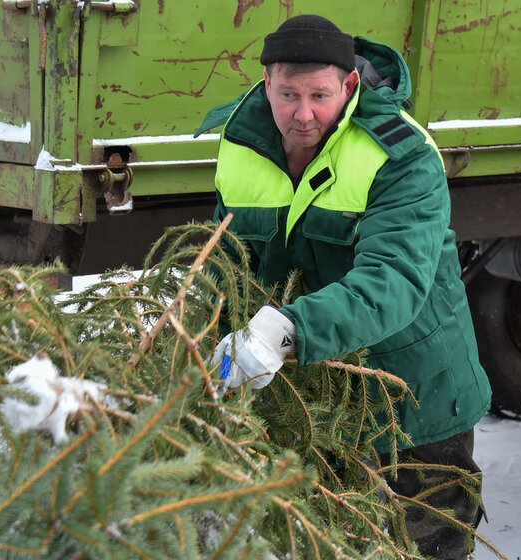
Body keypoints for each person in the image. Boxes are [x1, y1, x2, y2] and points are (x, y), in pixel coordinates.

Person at [198, 14, 492, 560]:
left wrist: (286, 330)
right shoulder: (242, 141)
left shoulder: (401, 156)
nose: (302, 113)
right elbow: (227, 259)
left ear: (349, 85)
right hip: (315, 393)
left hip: (414, 389)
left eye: (319, 95)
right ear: (267, 84)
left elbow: (392, 282)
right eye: (288, 94)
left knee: (427, 537)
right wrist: (205, 332)